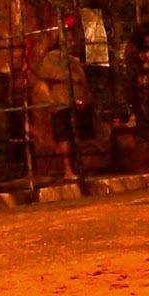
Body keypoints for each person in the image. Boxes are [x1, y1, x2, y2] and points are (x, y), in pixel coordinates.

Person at [33, 23, 94, 181]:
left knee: (77, 136)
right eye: (69, 41)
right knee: (64, 137)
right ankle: (68, 169)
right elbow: (44, 79)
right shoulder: (53, 57)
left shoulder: (73, 60)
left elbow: (82, 80)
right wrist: (51, 100)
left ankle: (79, 167)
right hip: (62, 103)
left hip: (76, 103)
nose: (72, 44)